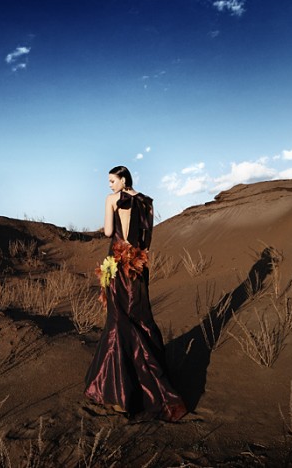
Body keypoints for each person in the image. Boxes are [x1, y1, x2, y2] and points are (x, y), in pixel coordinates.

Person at [84, 166, 187, 421]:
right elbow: (146, 239)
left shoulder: (112, 200)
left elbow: (109, 232)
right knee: (140, 316)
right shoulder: (146, 201)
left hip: (117, 265)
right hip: (138, 265)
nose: (109, 185)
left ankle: (118, 391)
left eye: (112, 180)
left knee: (118, 318)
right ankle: (150, 380)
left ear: (122, 179)